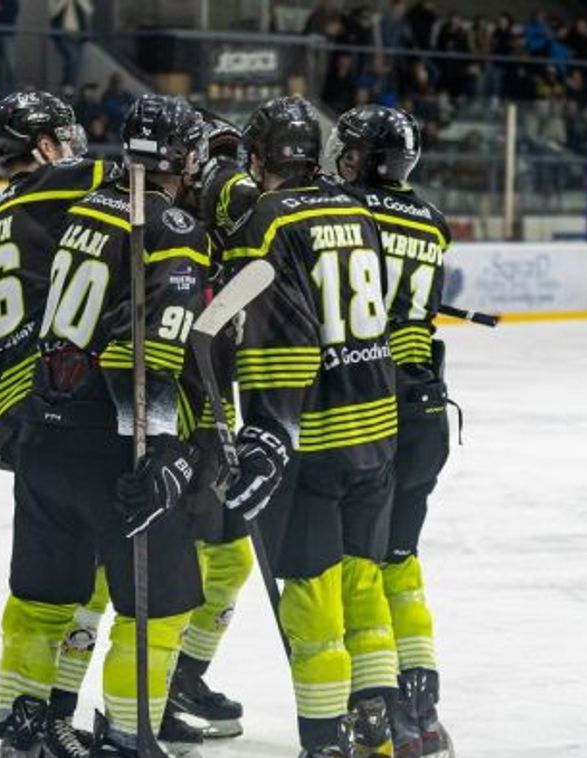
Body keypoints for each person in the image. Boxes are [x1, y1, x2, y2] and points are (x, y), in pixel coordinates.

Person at [20, 93, 209, 758]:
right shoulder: (173, 225)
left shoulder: (87, 209)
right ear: (185, 156)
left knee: (45, 599)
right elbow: (151, 348)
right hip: (111, 437)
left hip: (47, 424)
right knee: (163, 600)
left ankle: (24, 735)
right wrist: (157, 446)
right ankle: (129, 738)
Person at [218, 95, 401, 758]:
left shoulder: (265, 221)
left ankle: (325, 742)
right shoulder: (357, 209)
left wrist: (265, 431)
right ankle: (377, 727)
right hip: (377, 428)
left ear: (258, 157)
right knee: (363, 582)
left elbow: (277, 340)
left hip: (314, 438)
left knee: (314, 597)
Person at [0, 90, 111, 757]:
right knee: (98, 573)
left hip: (13, 417)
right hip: (69, 407)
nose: (75, 147)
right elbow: (146, 183)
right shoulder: (66, 186)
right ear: (44, 146)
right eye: (65, 137)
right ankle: (59, 711)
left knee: (45, 577)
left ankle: (28, 723)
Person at [328, 104, 454, 758]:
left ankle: (370, 708)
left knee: (356, 566)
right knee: (400, 561)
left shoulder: (342, 211)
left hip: (365, 407)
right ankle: (420, 709)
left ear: (355, 157)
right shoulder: (432, 221)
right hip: (426, 409)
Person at [162, 108, 260, 745]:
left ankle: (184, 675)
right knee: (186, 564)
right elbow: (252, 199)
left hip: (216, 405)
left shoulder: (205, 213)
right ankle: (153, 688)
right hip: (183, 413)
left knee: (229, 560)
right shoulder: (220, 188)